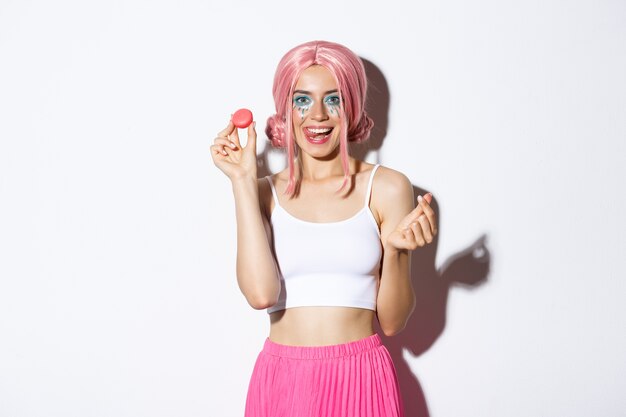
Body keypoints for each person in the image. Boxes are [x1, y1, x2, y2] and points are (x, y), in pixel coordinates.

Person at [211, 40, 436, 417]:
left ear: (352, 107)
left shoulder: (388, 187)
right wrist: (242, 181)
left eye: (333, 99)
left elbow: (394, 322)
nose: (317, 115)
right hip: (283, 381)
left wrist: (397, 251)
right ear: (286, 108)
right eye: (302, 100)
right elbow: (261, 295)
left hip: (361, 377)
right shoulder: (263, 192)